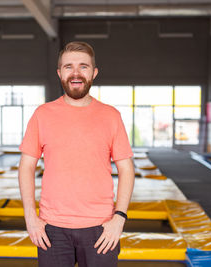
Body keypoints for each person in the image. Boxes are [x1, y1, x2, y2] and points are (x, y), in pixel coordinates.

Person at [18, 41, 135, 267]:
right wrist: (30, 217)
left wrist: (119, 218)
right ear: (59, 72)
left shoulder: (111, 116)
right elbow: (26, 166)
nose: (76, 73)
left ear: (94, 72)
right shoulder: (42, 114)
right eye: (69, 66)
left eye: (83, 66)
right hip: (52, 230)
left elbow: (126, 168)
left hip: (101, 229)